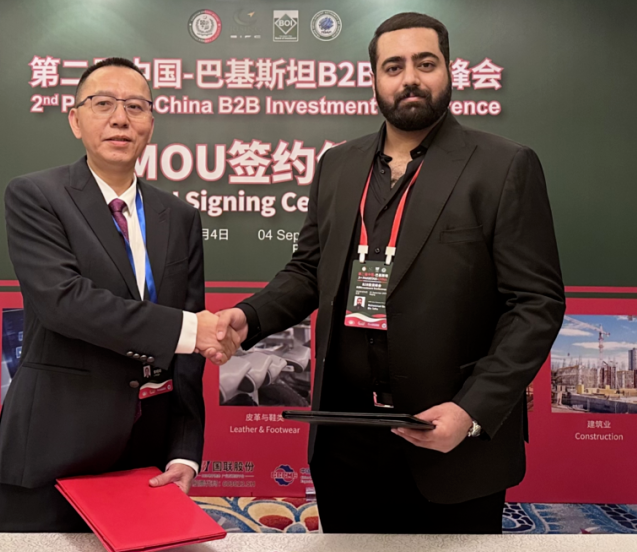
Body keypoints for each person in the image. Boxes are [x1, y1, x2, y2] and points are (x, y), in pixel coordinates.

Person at [210, 13, 565, 534]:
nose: (410, 78)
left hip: (449, 435)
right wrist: (249, 317)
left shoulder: (503, 166)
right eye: (393, 67)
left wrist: (471, 411)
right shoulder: (338, 166)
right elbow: (309, 269)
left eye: (426, 63)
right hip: (346, 437)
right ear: (375, 79)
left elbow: (535, 303)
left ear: (450, 70)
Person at [0, 57, 239, 532]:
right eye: (103, 104)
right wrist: (191, 328)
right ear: (75, 120)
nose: (120, 118)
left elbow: (187, 357)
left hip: (146, 455)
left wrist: (184, 449)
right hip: (53, 445)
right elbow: (63, 302)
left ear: (150, 124)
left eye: (135, 106)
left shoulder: (178, 216)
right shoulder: (36, 195)